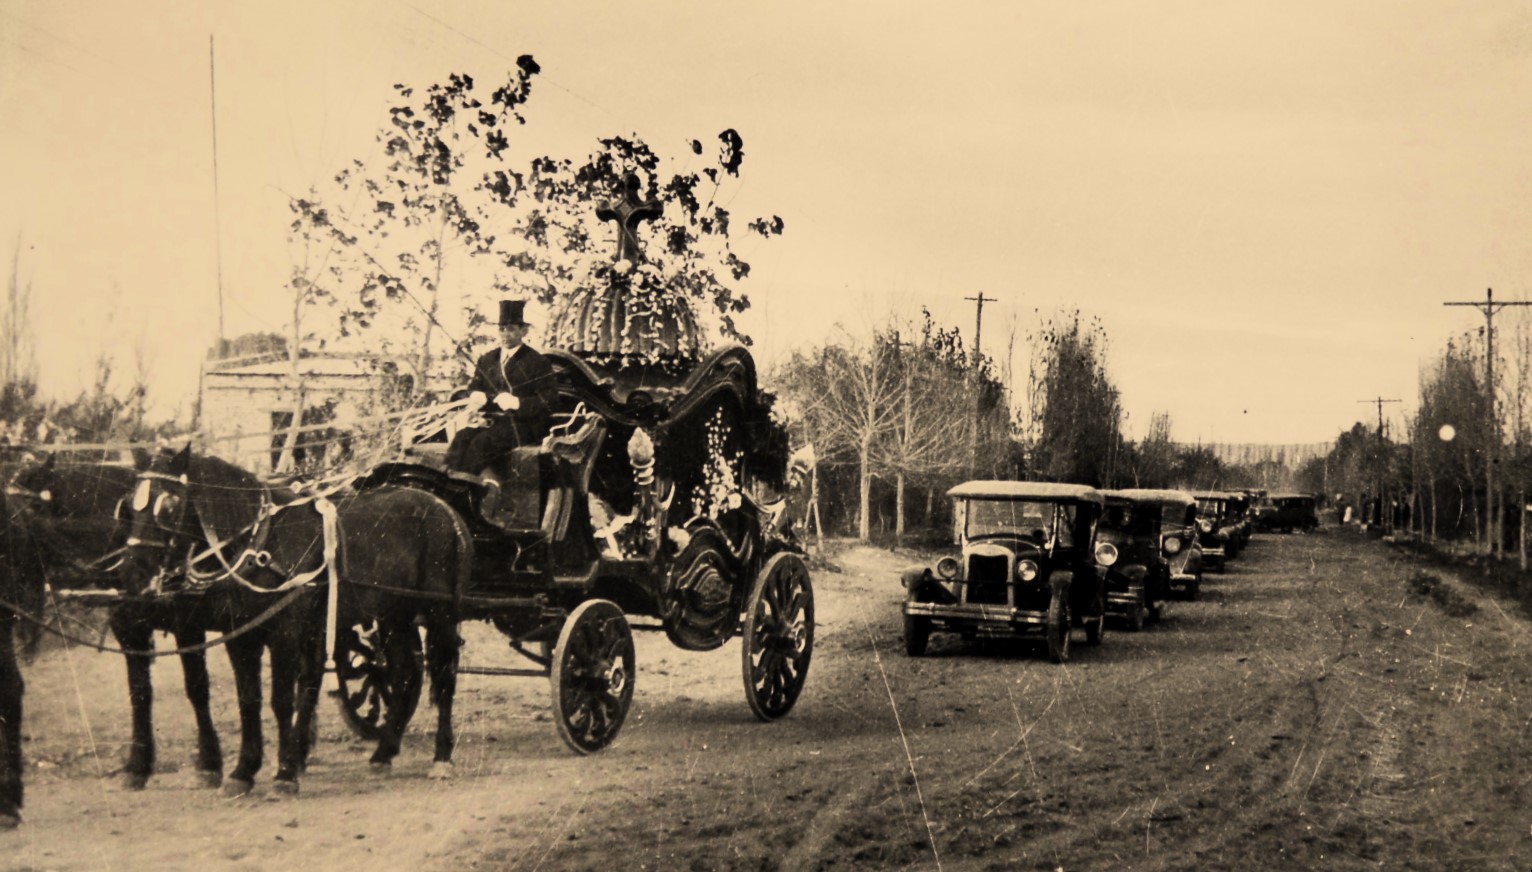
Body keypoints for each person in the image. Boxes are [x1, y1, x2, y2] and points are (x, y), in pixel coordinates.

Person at [445, 300, 557, 479]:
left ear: (523, 331)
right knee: (462, 437)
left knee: (482, 442)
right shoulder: (487, 359)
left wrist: (517, 403)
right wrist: (476, 395)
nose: (505, 334)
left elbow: (549, 402)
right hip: (491, 422)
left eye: (511, 329)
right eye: (502, 329)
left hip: (523, 426)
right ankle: (450, 483)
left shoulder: (538, 362)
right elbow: (473, 387)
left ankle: (464, 490)